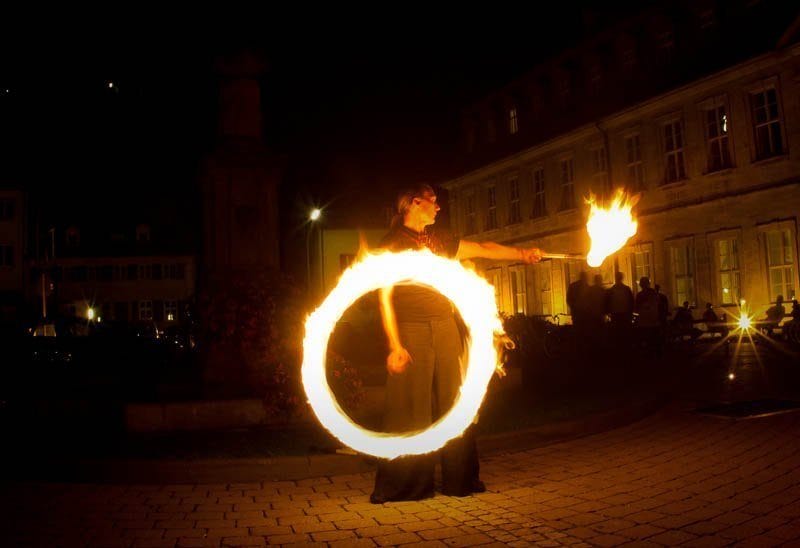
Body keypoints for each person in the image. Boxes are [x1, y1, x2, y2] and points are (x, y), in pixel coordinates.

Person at [371, 183, 542, 504]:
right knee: (413, 407)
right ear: (414, 203)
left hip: (444, 326)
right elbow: (385, 299)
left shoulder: (440, 240)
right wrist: (395, 344)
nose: (438, 207)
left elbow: (482, 248)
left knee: (456, 400)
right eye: (432, 201)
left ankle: (459, 478)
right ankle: (407, 484)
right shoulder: (391, 245)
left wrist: (522, 254)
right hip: (412, 329)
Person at [635, 276, 662, 355]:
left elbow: (636, 309)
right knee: (654, 343)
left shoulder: (639, 295)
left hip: (644, 323)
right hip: (653, 322)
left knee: (646, 343)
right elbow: (658, 305)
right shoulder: (654, 293)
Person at [606, 271, 634, 345]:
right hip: (624, 314)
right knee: (624, 334)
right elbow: (631, 302)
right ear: (622, 278)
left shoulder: (611, 290)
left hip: (616, 315)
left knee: (617, 334)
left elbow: (608, 303)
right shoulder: (626, 289)